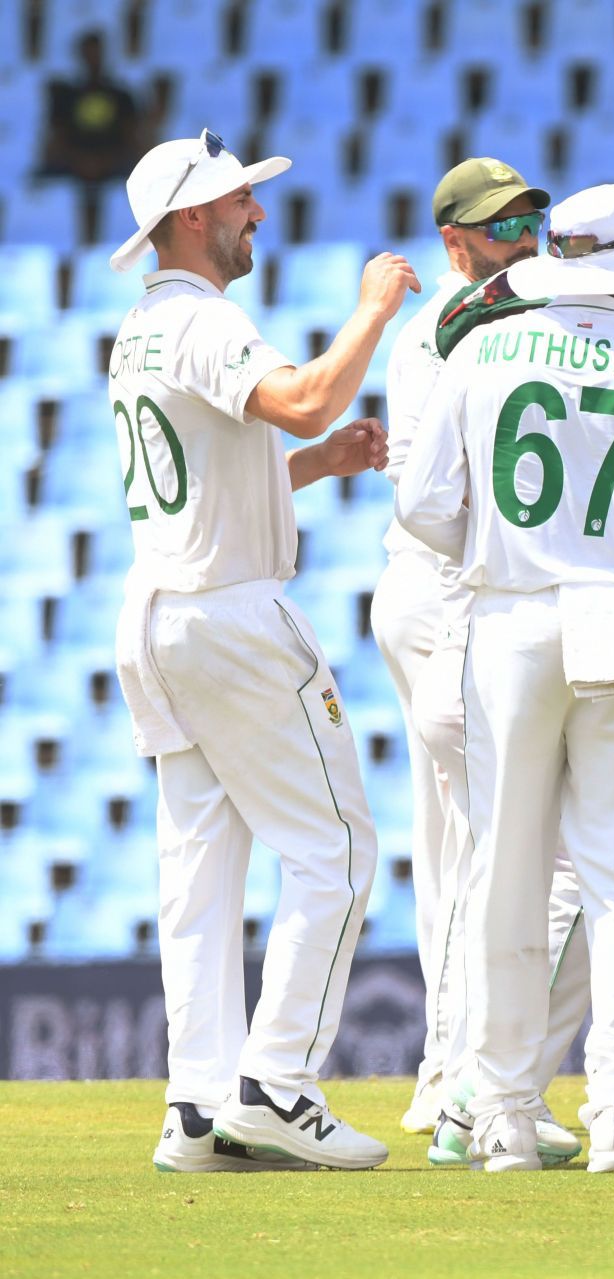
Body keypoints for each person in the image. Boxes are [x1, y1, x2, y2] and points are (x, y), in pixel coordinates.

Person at [397, 184, 614, 1173]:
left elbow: (424, 511)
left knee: (503, 870)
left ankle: (504, 1113)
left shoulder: (479, 351)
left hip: (508, 617)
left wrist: (513, 545)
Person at [108, 130, 416, 1172]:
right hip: (232, 618)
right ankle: (277, 1084)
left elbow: (222, 482)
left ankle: (194, 1109)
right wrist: (374, 307)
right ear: (195, 216)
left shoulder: (138, 331)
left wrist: (316, 466)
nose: (259, 215)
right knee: (336, 847)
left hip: (158, 612)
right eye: (243, 199)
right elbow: (305, 396)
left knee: (200, 870)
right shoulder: (203, 318)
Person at [369, 156, 550, 1137]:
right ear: (453, 241)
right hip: (443, 594)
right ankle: (455, 1077)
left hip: (450, 591)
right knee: (481, 840)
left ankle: (456, 1071)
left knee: (461, 843)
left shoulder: (509, 316)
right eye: (499, 226)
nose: (522, 237)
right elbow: (437, 498)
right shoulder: (447, 330)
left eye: (529, 217)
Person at [39, 30, 148, 184]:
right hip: (73, 166)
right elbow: (57, 137)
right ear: (80, 56)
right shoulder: (65, 97)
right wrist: (81, 162)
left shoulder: (122, 96)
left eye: (96, 54)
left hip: (114, 166)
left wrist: (104, 162)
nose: (93, 59)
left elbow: (132, 138)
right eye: (88, 54)